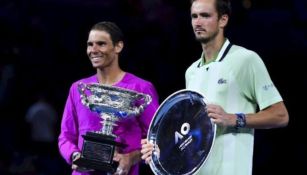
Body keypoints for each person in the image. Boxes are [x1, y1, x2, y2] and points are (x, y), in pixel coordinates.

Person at [141, 0, 289, 175]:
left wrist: (233, 118)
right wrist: (161, 151)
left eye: (205, 15)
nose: (198, 22)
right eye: (194, 16)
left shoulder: (246, 60)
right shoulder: (191, 72)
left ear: (223, 20)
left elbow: (280, 116)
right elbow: (191, 132)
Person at [58, 21, 159, 175]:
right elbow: (66, 136)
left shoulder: (141, 88)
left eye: (101, 44)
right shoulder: (79, 89)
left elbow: (155, 138)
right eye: (90, 44)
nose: (94, 50)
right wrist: (75, 156)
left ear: (118, 46)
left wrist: (130, 158)